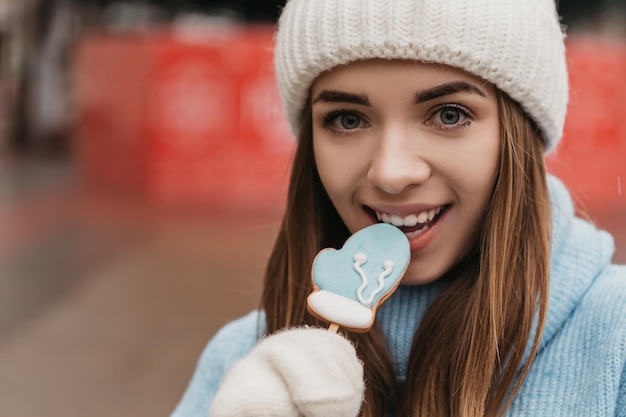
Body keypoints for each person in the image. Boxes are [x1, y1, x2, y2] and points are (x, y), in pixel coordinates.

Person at [171, 0, 626, 416]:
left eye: (449, 114)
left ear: (519, 131)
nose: (391, 172)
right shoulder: (240, 362)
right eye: (347, 119)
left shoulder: (616, 340)